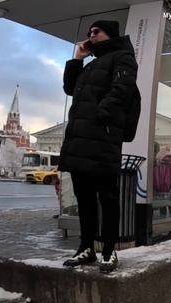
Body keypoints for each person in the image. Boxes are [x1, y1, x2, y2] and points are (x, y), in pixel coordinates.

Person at [59, 20, 138, 273]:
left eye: (96, 32)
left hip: (102, 136)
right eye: (89, 32)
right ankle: (86, 248)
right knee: (84, 198)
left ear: (109, 34)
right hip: (80, 137)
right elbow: (70, 88)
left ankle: (108, 250)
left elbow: (121, 90)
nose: (91, 36)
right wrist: (77, 59)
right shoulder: (91, 63)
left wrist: (99, 115)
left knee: (107, 196)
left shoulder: (122, 57)